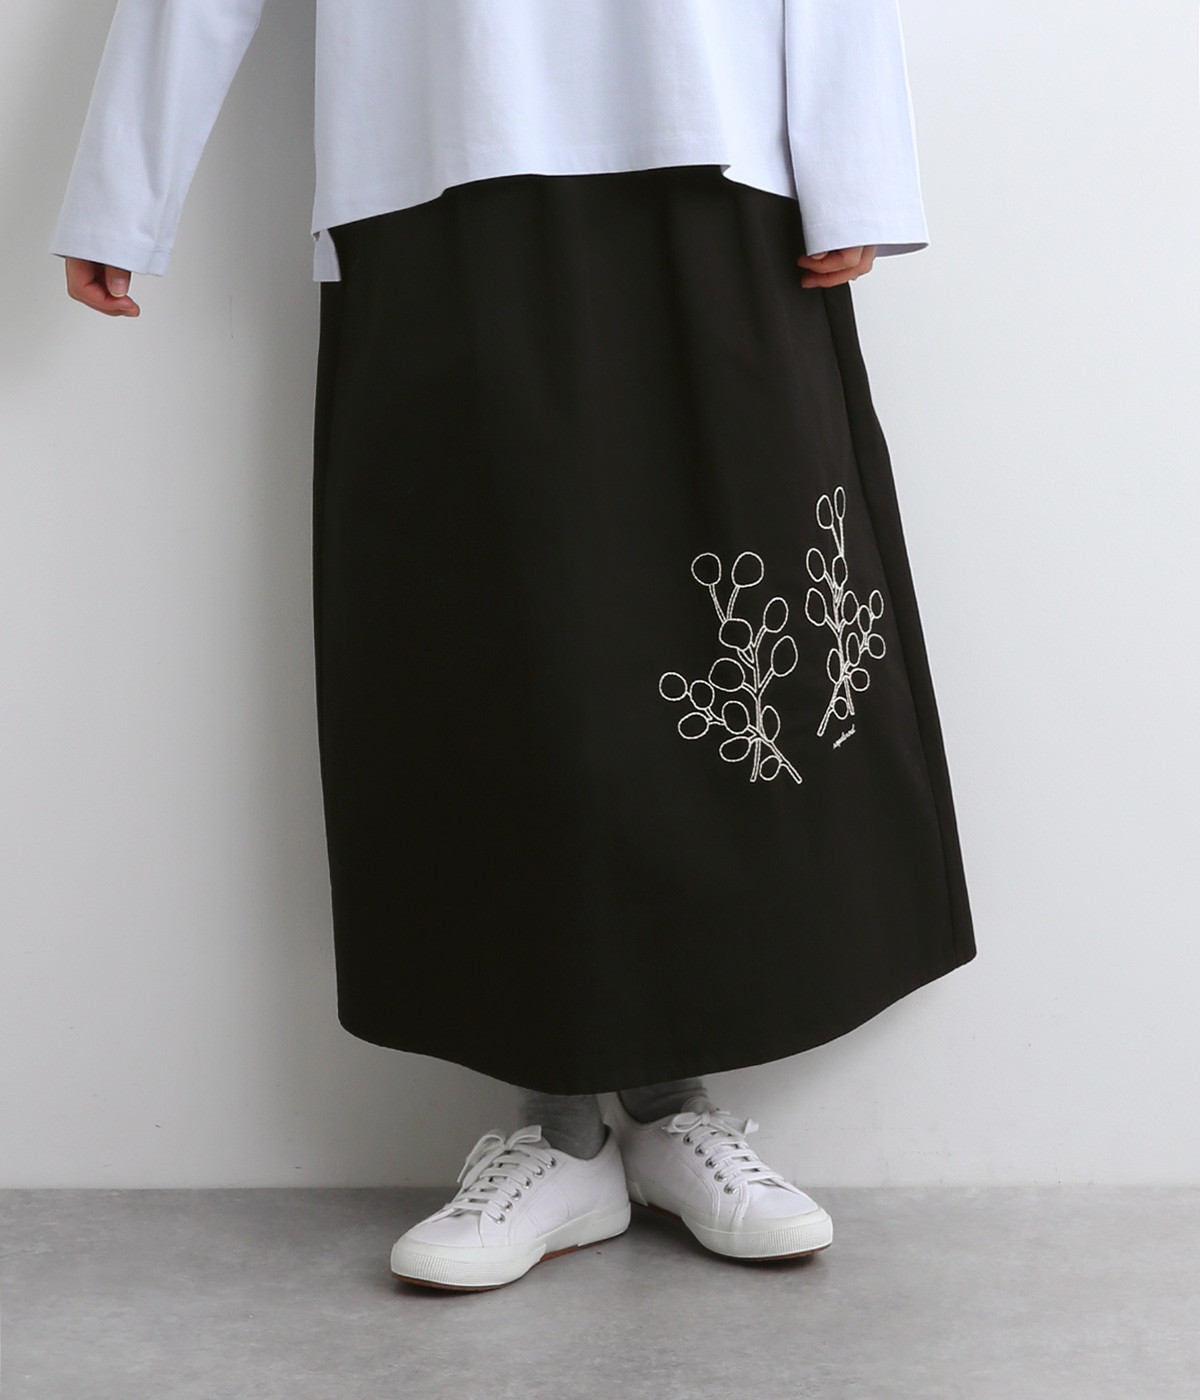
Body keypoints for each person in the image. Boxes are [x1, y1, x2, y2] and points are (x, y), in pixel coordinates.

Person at [50, 0, 976, 1293]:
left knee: (734, 636)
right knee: (492, 648)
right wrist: (126, 186)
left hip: (713, 145)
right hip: (434, 154)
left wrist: (854, 161)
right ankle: (561, 1133)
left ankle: (673, 1109)